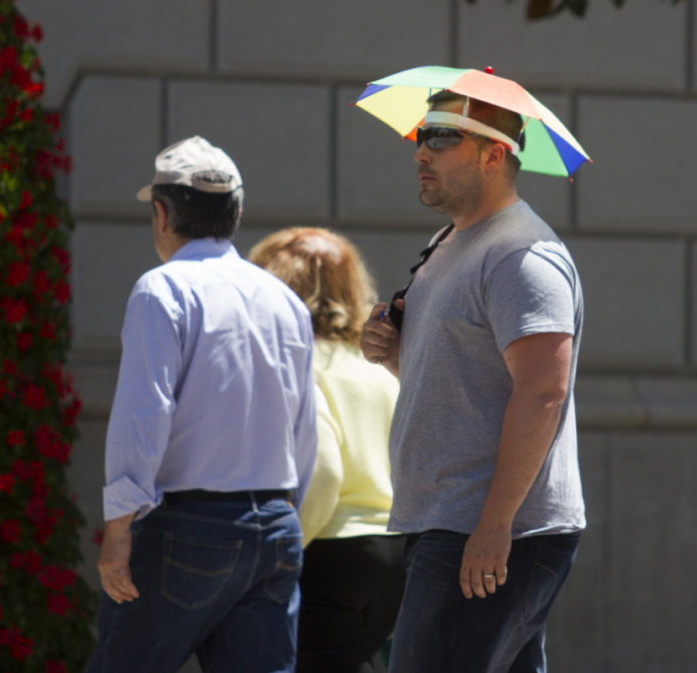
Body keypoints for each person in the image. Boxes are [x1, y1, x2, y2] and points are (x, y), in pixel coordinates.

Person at [359, 91, 586, 673]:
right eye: (420, 136)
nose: (420, 153)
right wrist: (391, 353)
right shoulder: (450, 244)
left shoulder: (521, 255)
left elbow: (543, 392)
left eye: (440, 137)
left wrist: (494, 524)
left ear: (493, 155)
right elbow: (461, 383)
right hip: (454, 520)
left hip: (483, 529)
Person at [86, 136, 317, 673]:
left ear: (161, 215)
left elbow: (143, 413)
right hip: (276, 524)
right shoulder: (282, 298)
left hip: (187, 524)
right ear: (235, 214)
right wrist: (285, 515)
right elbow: (305, 429)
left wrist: (118, 528)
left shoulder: (162, 289)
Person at [248, 227, 405, 673]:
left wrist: (281, 554)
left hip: (330, 552)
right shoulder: (379, 368)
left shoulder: (296, 362)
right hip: (396, 554)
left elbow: (323, 472)